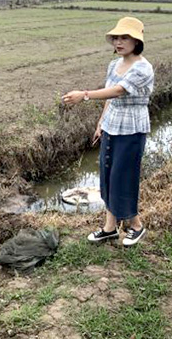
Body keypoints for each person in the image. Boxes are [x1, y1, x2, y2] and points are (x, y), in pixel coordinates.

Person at [62, 17, 154, 247]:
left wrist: (83, 95)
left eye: (125, 38)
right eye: (116, 38)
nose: (119, 42)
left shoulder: (143, 67)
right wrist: (100, 123)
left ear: (136, 41)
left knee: (123, 177)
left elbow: (118, 91)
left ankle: (136, 226)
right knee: (107, 176)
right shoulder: (114, 65)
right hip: (112, 125)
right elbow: (108, 96)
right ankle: (110, 228)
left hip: (131, 128)